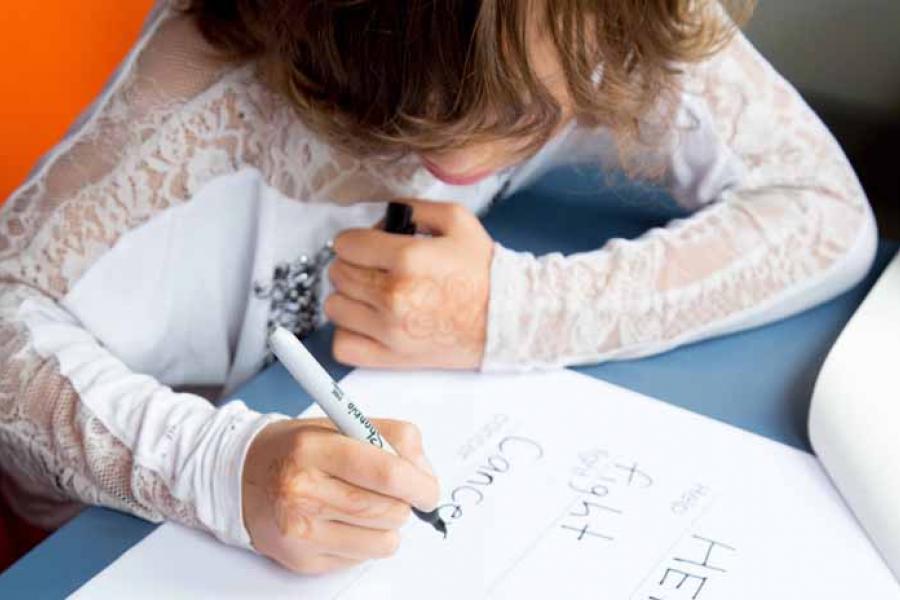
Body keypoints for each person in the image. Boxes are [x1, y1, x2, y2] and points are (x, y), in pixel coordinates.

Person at [0, 0, 875, 575]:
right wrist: (217, 466)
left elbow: (822, 211)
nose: (457, 165)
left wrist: (515, 310)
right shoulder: (206, 80)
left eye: (528, 112)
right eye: (408, 106)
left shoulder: (602, 18)